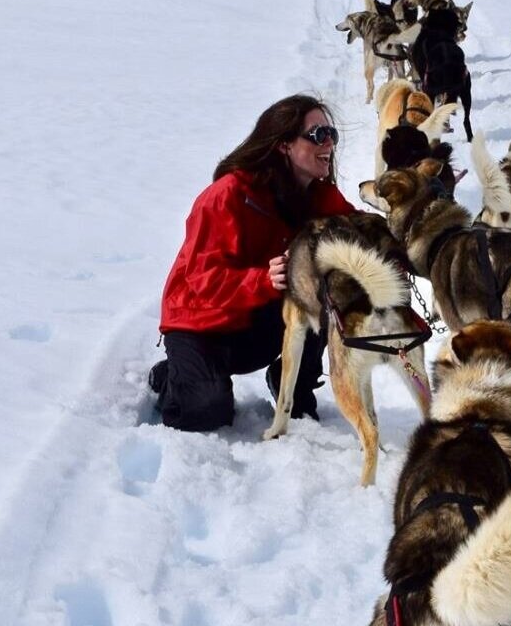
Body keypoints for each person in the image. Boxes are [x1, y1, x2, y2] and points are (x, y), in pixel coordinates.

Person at [149, 94, 357, 431]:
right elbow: (203, 280)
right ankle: (172, 377)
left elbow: (362, 234)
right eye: (318, 134)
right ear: (284, 145)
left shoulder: (318, 196)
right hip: (201, 323)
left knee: (324, 289)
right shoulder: (227, 195)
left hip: (255, 324)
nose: (329, 142)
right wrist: (263, 280)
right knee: (207, 411)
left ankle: (294, 386)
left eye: (331, 133)